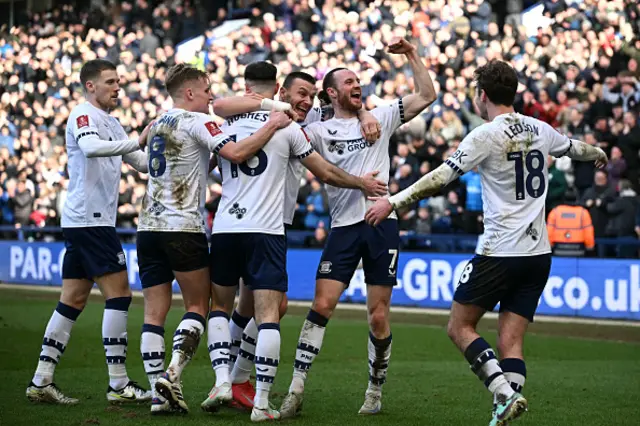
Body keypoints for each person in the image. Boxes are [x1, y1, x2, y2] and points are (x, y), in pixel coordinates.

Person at [364, 59, 608, 426]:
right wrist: (600, 154)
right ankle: (505, 413)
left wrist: (393, 201)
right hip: (538, 254)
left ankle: (504, 393)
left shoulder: (486, 134)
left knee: (459, 327)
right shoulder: (540, 129)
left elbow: (440, 179)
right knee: (511, 342)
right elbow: (576, 149)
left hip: (500, 251)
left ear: (482, 96)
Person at [200, 61, 387, 422]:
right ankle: (238, 381)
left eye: (312, 96)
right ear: (281, 92)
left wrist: (363, 110)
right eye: (300, 94)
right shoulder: (286, 125)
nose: (307, 101)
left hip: (237, 226)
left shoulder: (305, 120)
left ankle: (230, 379)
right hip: (266, 227)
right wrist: (272, 111)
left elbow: (220, 108)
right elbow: (325, 171)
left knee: (241, 308)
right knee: (271, 307)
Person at [279, 37, 437, 418]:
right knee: (321, 305)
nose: (356, 84)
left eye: (358, 81)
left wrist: (412, 54)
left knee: (378, 316)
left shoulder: (381, 116)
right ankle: (295, 388)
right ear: (331, 93)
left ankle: (374, 390)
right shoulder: (315, 128)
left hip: (382, 224)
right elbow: (286, 111)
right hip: (344, 227)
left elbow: (426, 95)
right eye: (348, 82)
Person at [135, 63, 294, 414]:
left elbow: (139, 159)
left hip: (146, 227)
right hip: (183, 227)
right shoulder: (201, 122)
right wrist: (271, 123)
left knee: (154, 313)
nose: (212, 96)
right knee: (198, 307)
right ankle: (179, 374)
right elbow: (236, 154)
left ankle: (157, 396)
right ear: (189, 92)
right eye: (206, 90)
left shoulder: (159, 122)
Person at [26, 59, 153, 405]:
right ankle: (118, 384)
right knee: (120, 295)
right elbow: (91, 148)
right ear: (90, 86)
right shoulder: (82, 115)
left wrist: (162, 148)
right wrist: (137, 140)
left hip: (88, 222)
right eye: (110, 81)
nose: (117, 88)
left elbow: (140, 163)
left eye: (118, 81)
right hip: (90, 220)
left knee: (73, 299)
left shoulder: (111, 121)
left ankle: (41, 380)